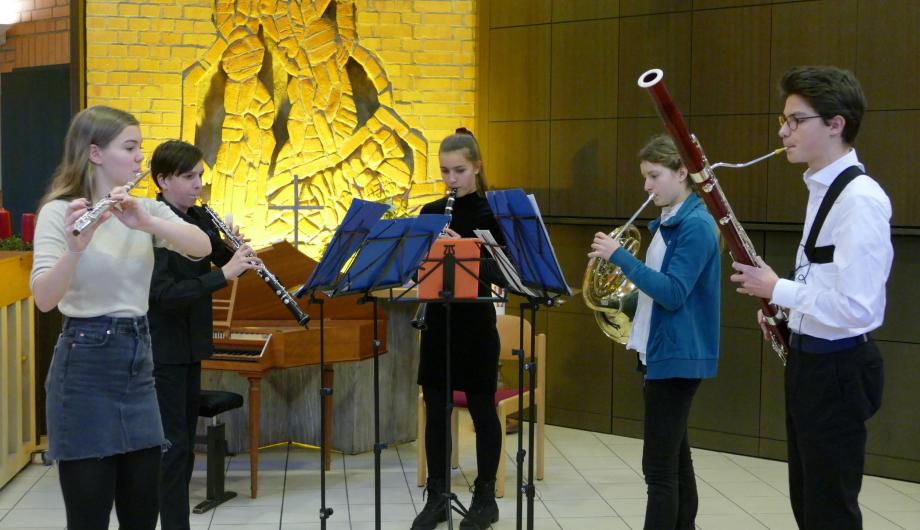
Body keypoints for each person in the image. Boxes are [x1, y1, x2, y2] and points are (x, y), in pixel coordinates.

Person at [30, 106, 212, 530]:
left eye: (140, 148)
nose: (138, 159)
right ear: (95, 153)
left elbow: (202, 247)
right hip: (84, 365)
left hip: (138, 362)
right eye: (130, 148)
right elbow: (43, 298)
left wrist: (146, 220)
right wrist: (76, 247)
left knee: (141, 515)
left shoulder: (143, 209)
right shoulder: (60, 213)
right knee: (89, 517)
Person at [730, 66, 890, 530]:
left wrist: (776, 288)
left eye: (795, 120)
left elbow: (858, 308)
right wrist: (788, 311)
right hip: (812, 362)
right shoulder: (822, 189)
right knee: (808, 501)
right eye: (784, 120)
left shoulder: (859, 199)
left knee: (830, 509)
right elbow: (823, 282)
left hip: (838, 369)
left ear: (835, 123)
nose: (783, 131)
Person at [589, 134, 721, 530]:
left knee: (658, 470)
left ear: (683, 173)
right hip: (659, 350)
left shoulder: (696, 225)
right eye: (645, 176)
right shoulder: (669, 220)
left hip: (678, 355)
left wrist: (620, 257)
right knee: (676, 460)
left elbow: (673, 293)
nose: (646, 186)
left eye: (654, 176)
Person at [147, 140, 261, 529]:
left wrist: (235, 252)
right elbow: (161, 295)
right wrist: (223, 274)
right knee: (172, 449)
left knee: (181, 448)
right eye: (189, 176)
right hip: (162, 349)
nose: (198, 184)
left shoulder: (197, 218)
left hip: (190, 345)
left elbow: (224, 262)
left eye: (200, 176)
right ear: (162, 180)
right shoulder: (153, 223)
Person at [412, 128, 506, 530]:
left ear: (477, 168)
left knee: (483, 409)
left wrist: (465, 247)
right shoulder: (430, 212)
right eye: (445, 172)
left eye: (460, 171)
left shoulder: (492, 214)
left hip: (476, 324)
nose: (451, 180)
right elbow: (412, 265)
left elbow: (504, 272)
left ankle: (485, 497)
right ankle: (437, 496)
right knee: (436, 408)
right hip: (438, 322)